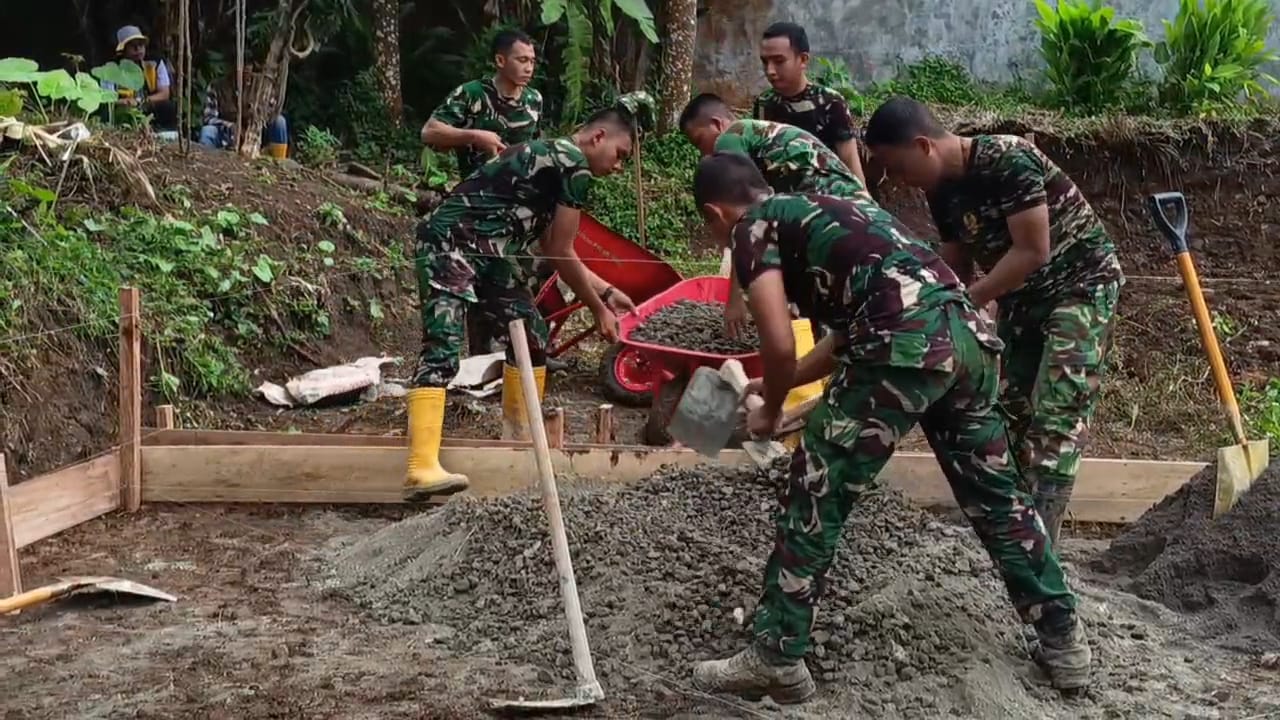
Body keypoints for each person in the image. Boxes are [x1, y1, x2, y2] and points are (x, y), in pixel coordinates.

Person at [686, 152, 1091, 704]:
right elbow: (846, 337)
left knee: (815, 486)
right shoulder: (835, 209)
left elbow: (780, 343)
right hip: (965, 338)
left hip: (902, 343)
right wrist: (774, 390)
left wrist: (769, 409)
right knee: (998, 496)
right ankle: (1063, 639)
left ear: (715, 214)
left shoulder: (751, 228)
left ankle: (776, 655)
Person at [861, 97, 1124, 548]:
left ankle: (1039, 551)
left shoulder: (1007, 159)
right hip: (1024, 297)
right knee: (1010, 412)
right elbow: (956, 265)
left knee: (1057, 413)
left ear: (923, 145)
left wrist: (970, 300)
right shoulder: (940, 190)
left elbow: (1032, 250)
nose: (900, 182)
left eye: (899, 168)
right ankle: (1010, 532)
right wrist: (931, 308)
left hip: (1081, 285)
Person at [403, 108, 640, 500]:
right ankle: (420, 468)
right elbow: (564, 254)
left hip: (492, 254)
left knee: (531, 335)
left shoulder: (556, 161)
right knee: (443, 346)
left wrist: (606, 292)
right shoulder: (572, 162)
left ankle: (518, 440)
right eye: (621, 154)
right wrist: (599, 309)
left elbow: (551, 247)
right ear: (598, 137)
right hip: (451, 244)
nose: (619, 166)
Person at [752, 22, 868, 190]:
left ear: (803, 60)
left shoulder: (830, 102)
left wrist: (864, 204)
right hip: (782, 207)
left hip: (826, 205)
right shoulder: (764, 104)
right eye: (765, 62)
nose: (770, 70)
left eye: (779, 61)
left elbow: (850, 162)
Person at [423, 29, 543, 182]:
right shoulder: (471, 93)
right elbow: (429, 132)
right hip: (476, 190)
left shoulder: (534, 98)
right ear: (500, 60)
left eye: (532, 61)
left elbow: (536, 145)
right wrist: (475, 136)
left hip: (520, 190)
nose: (529, 68)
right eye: (522, 60)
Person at [197, 70, 290, 159]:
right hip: (227, 135)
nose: (245, 69)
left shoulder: (261, 85)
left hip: (256, 135)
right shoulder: (217, 86)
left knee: (279, 121)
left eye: (248, 64)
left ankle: (279, 163)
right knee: (208, 131)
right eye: (242, 64)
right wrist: (232, 126)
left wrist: (255, 123)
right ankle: (204, 164)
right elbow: (209, 118)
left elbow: (272, 111)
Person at [102, 26, 177, 132]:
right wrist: (124, 102)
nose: (138, 49)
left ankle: (166, 134)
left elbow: (164, 94)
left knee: (168, 107)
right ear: (123, 50)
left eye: (141, 45)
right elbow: (106, 99)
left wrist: (140, 101)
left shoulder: (155, 62)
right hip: (125, 108)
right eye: (133, 46)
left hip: (146, 105)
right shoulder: (111, 69)